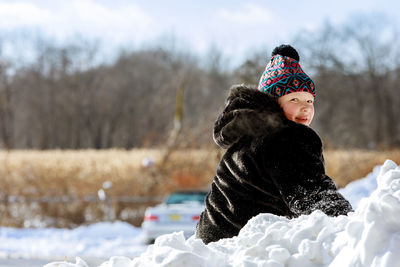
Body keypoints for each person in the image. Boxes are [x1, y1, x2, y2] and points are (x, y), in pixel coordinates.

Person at [196, 44, 352, 244]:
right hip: (245, 247)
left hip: (209, 240)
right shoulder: (286, 137)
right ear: (273, 102)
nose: (305, 108)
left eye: (309, 101)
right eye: (294, 99)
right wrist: (351, 224)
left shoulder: (248, 135)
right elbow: (310, 194)